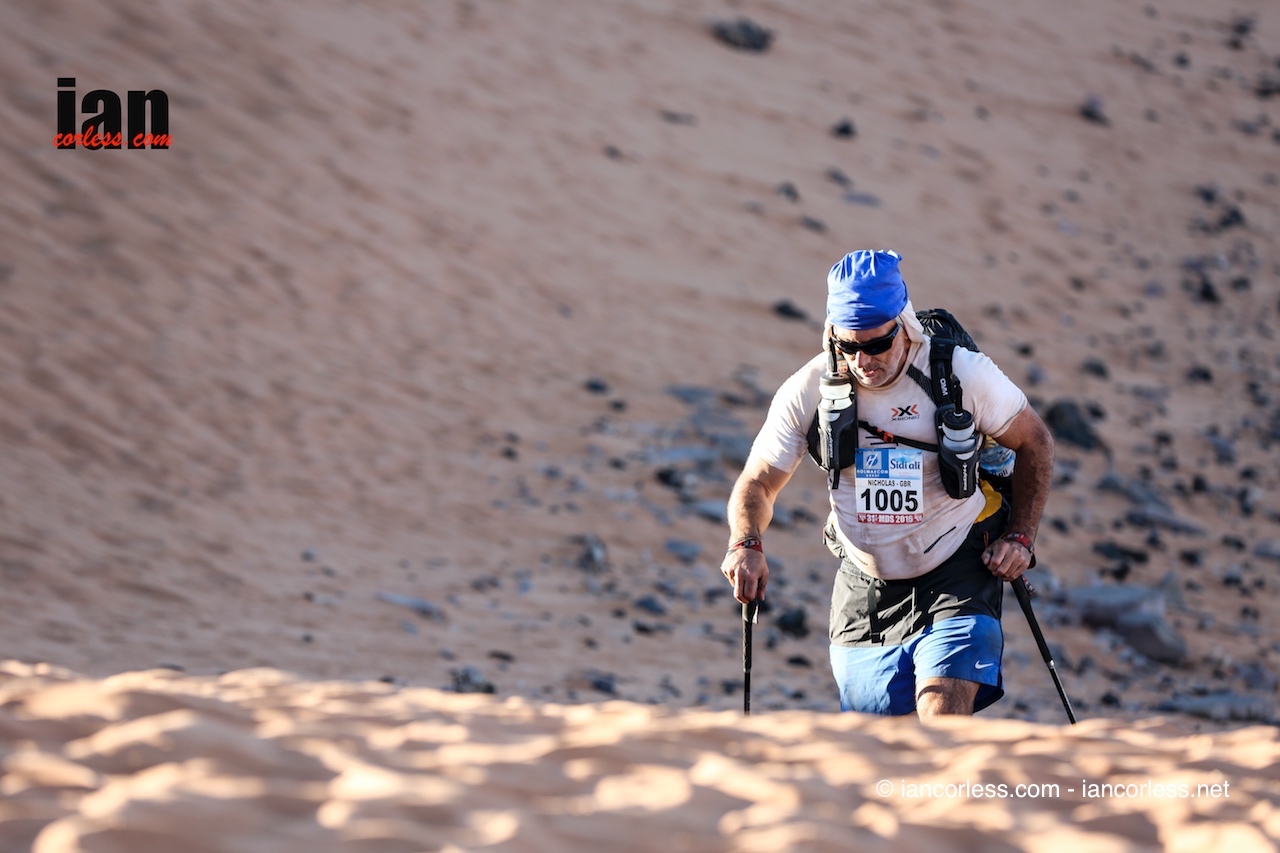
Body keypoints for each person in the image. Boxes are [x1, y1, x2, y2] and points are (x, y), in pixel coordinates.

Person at [720, 249, 1054, 717]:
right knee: (876, 748)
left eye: (877, 344)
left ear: (904, 324)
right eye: (848, 346)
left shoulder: (961, 374)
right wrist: (746, 543)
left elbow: (1036, 442)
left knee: (941, 721)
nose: (863, 360)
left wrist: (1020, 536)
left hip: (957, 570)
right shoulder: (809, 390)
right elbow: (758, 481)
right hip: (865, 588)